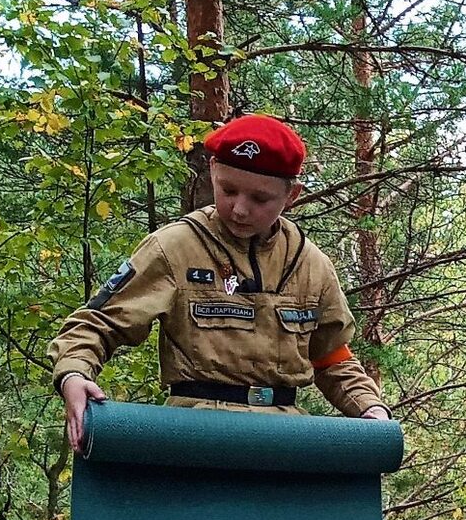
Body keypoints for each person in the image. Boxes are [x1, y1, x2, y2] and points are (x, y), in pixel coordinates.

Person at [49, 114, 390, 452]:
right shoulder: (175, 247)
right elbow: (98, 324)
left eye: (260, 199)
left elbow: (332, 357)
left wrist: (370, 408)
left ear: (292, 196)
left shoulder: (310, 264)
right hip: (194, 439)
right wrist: (74, 375)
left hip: (285, 443)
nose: (240, 209)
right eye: (228, 190)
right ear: (212, 170)